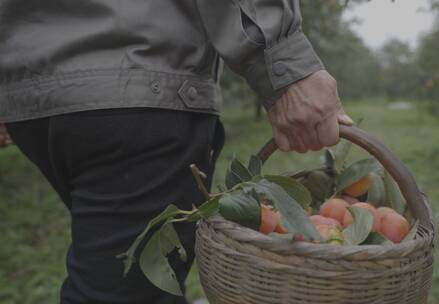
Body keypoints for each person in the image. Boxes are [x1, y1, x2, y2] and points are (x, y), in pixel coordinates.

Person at [0, 1, 353, 303]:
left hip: (36, 89)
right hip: (141, 82)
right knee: (120, 288)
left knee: (110, 273)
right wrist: (283, 62)